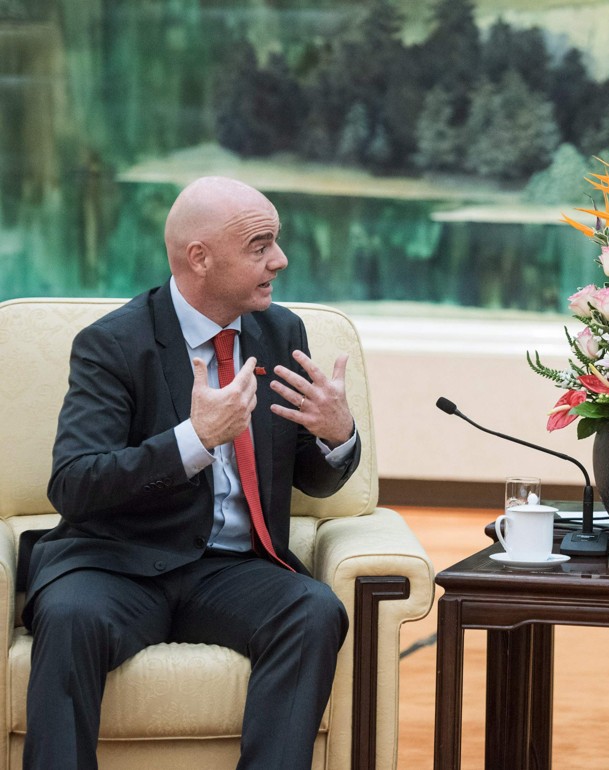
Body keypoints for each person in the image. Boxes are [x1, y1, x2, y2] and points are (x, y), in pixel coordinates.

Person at [24, 176, 360, 769]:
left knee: (314, 611)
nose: (279, 260)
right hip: (117, 562)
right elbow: (74, 483)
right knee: (70, 616)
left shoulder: (282, 332)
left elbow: (310, 473)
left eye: (275, 242)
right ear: (198, 258)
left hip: (230, 571)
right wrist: (193, 442)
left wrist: (337, 436)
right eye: (259, 246)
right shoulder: (112, 345)